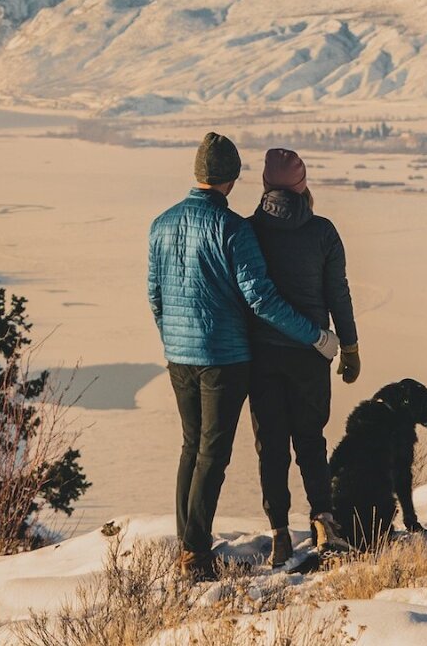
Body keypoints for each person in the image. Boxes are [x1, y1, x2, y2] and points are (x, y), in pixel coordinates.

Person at [148, 132, 340, 581]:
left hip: (179, 355)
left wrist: (173, 338)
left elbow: (155, 295)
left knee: (191, 446)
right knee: (213, 453)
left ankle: (188, 542)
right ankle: (195, 554)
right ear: (233, 178)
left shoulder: (160, 223)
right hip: (225, 356)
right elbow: (262, 300)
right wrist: (316, 336)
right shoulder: (232, 229)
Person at [245, 147, 360, 565]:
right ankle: (324, 521)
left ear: (264, 185)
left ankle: (278, 531)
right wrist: (349, 346)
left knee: (270, 445)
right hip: (312, 355)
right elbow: (338, 293)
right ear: (303, 185)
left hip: (261, 357)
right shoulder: (323, 232)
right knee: (311, 440)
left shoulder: (248, 230)